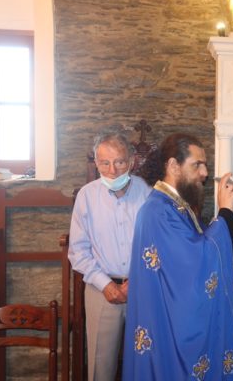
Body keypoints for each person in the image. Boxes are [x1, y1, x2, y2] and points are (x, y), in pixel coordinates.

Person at [122, 133, 233, 380]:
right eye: (197, 165)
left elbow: (200, 245)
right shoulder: (158, 211)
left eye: (204, 165)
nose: (205, 173)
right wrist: (225, 213)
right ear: (173, 166)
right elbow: (196, 262)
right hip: (166, 329)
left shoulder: (175, 206)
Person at [68, 130, 151, 381]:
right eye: (105, 163)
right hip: (100, 289)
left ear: (132, 161)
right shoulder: (86, 196)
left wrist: (136, 281)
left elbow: (155, 245)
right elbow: (78, 250)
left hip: (142, 289)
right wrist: (106, 284)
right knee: (100, 365)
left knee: (146, 362)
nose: (112, 170)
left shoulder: (147, 194)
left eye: (119, 162)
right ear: (96, 163)